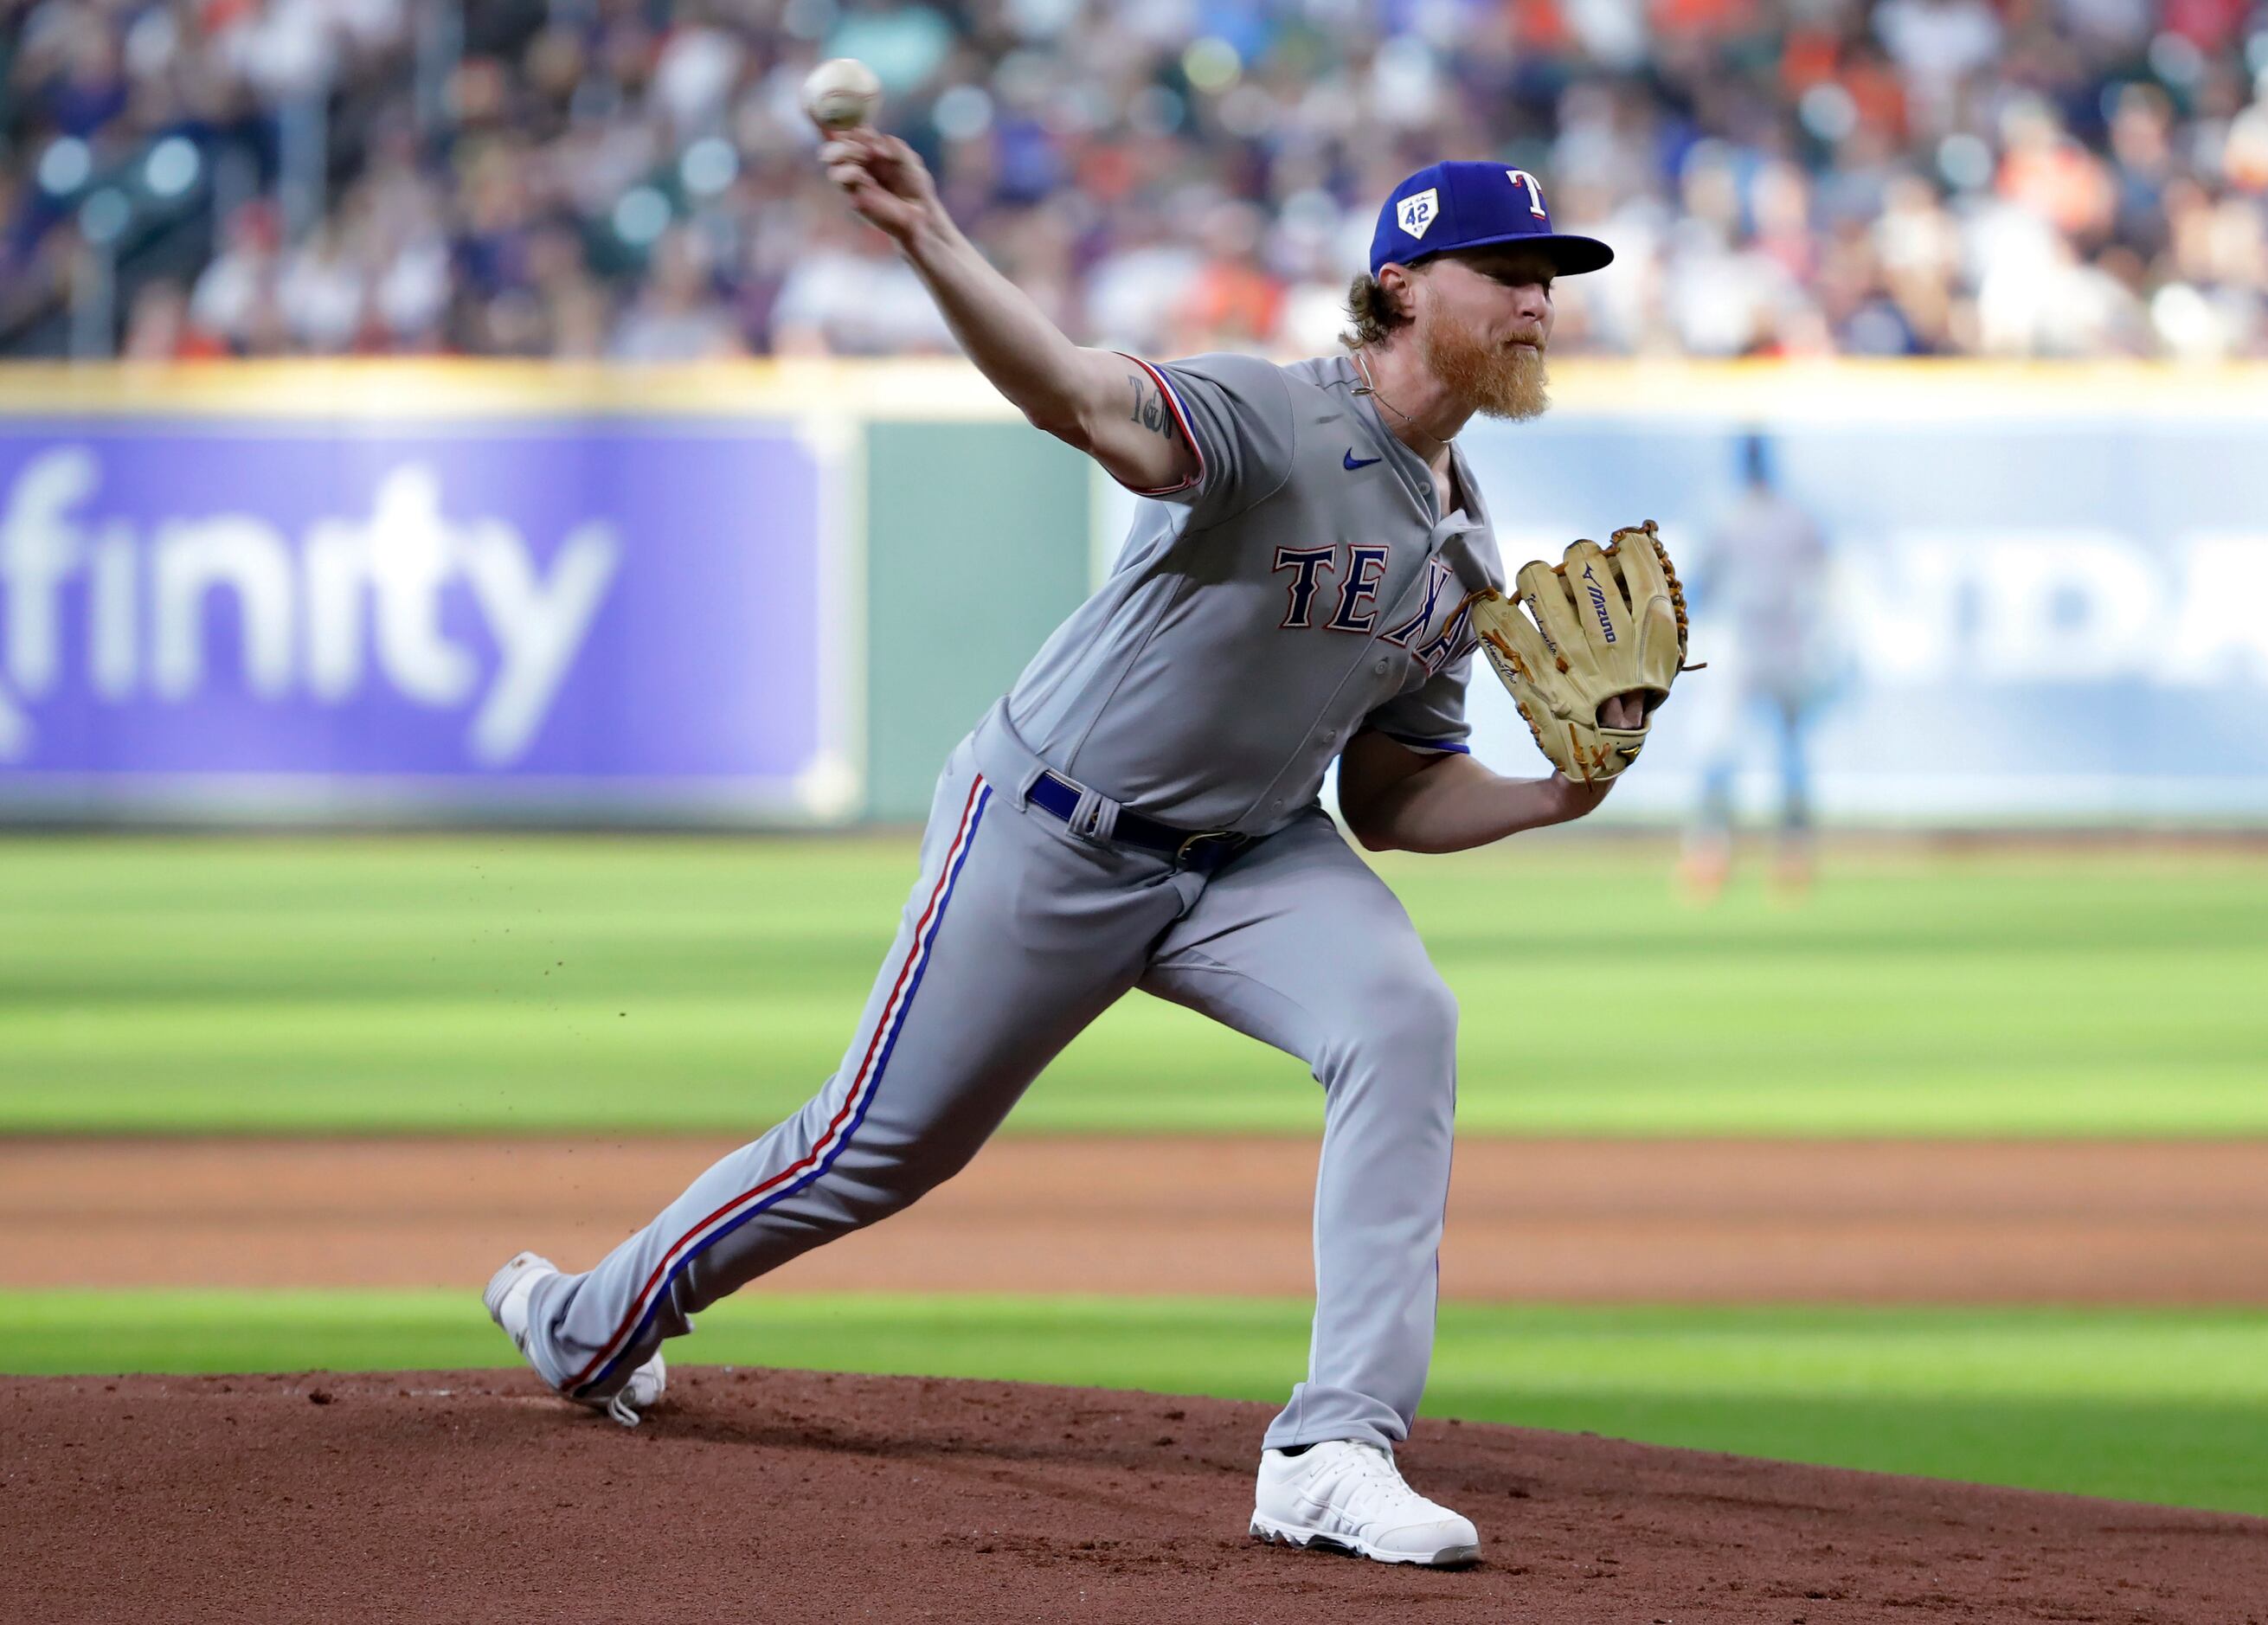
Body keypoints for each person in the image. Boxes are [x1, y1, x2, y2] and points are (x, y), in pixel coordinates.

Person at [484, 145, 1645, 1569]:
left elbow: (1396, 796)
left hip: (1253, 859)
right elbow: (1081, 396)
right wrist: (933, 241)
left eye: (1550, 281)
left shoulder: (1464, 541)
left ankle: (1333, 1444)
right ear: (1399, 287)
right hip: (1052, 825)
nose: (1539, 303)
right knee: (872, 1148)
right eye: (1509, 274)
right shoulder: (1276, 416)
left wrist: (1554, 795)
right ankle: (587, 1318)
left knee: (1401, 1019)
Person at [1680, 434, 1832, 900]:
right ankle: (1792, 853)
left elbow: (1700, 585)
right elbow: (1823, 583)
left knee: (1723, 753)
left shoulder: (1725, 515)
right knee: (1785, 752)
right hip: (1784, 645)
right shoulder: (1795, 516)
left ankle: (1712, 854)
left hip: (1741, 646)